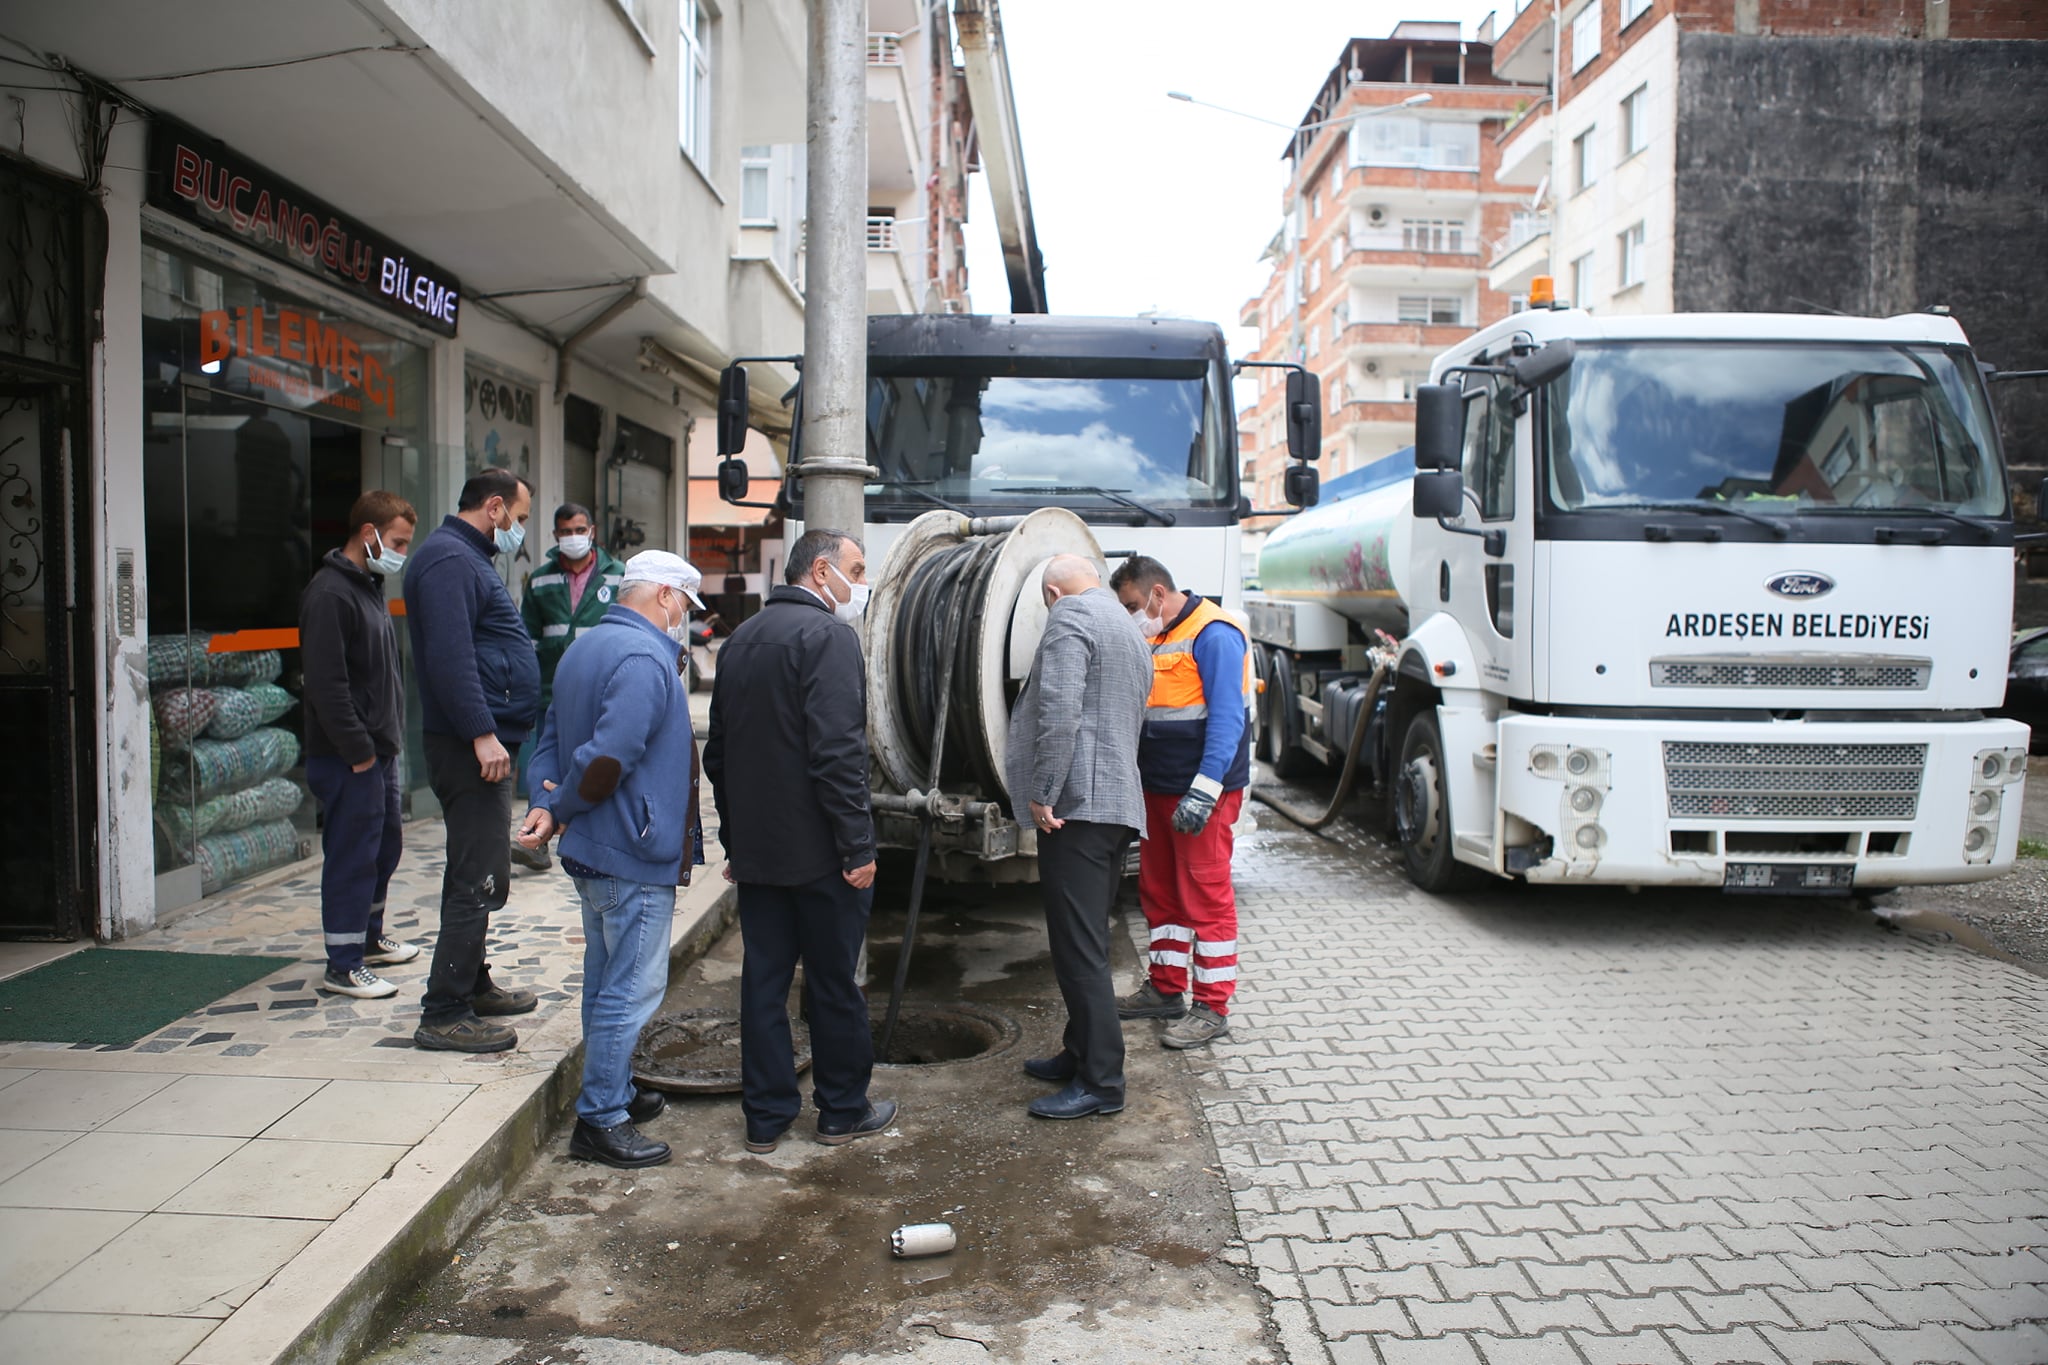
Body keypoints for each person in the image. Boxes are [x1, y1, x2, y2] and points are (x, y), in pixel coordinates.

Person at [705, 527, 894, 1152]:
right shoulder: (829, 637)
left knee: (763, 984)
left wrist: (736, 841)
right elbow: (838, 754)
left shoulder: (740, 642)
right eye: (857, 569)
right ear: (820, 571)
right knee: (834, 982)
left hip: (760, 853)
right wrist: (857, 847)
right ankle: (842, 1109)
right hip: (822, 856)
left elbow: (720, 755)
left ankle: (765, 1117)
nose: (862, 584)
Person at [517, 550, 707, 1169]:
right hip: (631, 848)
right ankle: (600, 1118)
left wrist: (546, 802)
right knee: (631, 988)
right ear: (663, 595)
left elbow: (549, 736)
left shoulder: (585, 646)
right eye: (682, 602)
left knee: (605, 981)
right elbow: (606, 758)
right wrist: (564, 805)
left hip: (599, 847)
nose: (682, 615)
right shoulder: (644, 657)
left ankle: (614, 1090)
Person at [402, 467, 544, 1053]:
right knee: (479, 874)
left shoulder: (464, 558)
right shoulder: (447, 561)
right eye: (521, 517)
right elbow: (449, 656)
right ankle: (445, 1012)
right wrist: (482, 733)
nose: (520, 529)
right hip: (469, 748)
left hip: (480, 742)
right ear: (494, 507)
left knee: (478, 866)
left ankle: (473, 982)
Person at [1006, 555, 1151, 1119]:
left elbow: (1059, 711)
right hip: (1115, 804)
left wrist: (1044, 790)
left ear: (1050, 591)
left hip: (1078, 808)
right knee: (1087, 937)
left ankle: (1102, 1083)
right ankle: (1079, 1051)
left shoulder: (1069, 617)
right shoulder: (1126, 625)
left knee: (1079, 950)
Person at [1109, 555, 1254, 1050]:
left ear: (1157, 594)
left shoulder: (1215, 633)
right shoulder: (1155, 635)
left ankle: (1212, 1006)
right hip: (1158, 790)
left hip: (1200, 795)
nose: (1130, 615)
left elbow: (1227, 719)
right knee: (1161, 890)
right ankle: (1167, 989)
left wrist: (1206, 789)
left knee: (1205, 896)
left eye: (1132, 604)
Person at [300, 490, 423, 999]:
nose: (401, 552)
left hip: (378, 751)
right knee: (352, 855)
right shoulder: (330, 594)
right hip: (350, 757)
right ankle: (343, 963)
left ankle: (368, 939)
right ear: (368, 533)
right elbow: (327, 686)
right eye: (397, 541)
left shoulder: (367, 587)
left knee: (383, 847)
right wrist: (359, 752)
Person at [512, 503, 624, 871]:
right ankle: (537, 836)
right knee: (545, 767)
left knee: (597, 762)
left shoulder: (617, 577)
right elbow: (526, 639)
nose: (572, 537)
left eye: (579, 530)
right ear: (556, 535)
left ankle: (593, 832)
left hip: (605, 690)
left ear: (592, 531)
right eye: (565, 532)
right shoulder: (542, 581)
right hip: (551, 690)